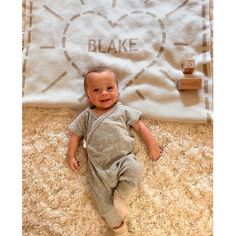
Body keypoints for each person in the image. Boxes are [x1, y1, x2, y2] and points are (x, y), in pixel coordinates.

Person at [66, 65, 162, 235]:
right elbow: (75, 135)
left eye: (109, 88)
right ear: (88, 95)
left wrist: (152, 146)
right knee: (101, 201)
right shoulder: (86, 116)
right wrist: (71, 155)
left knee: (135, 169)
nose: (104, 93)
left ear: (117, 90)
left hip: (123, 159)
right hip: (99, 169)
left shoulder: (123, 110)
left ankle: (120, 196)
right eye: (96, 90)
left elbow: (140, 127)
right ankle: (119, 229)